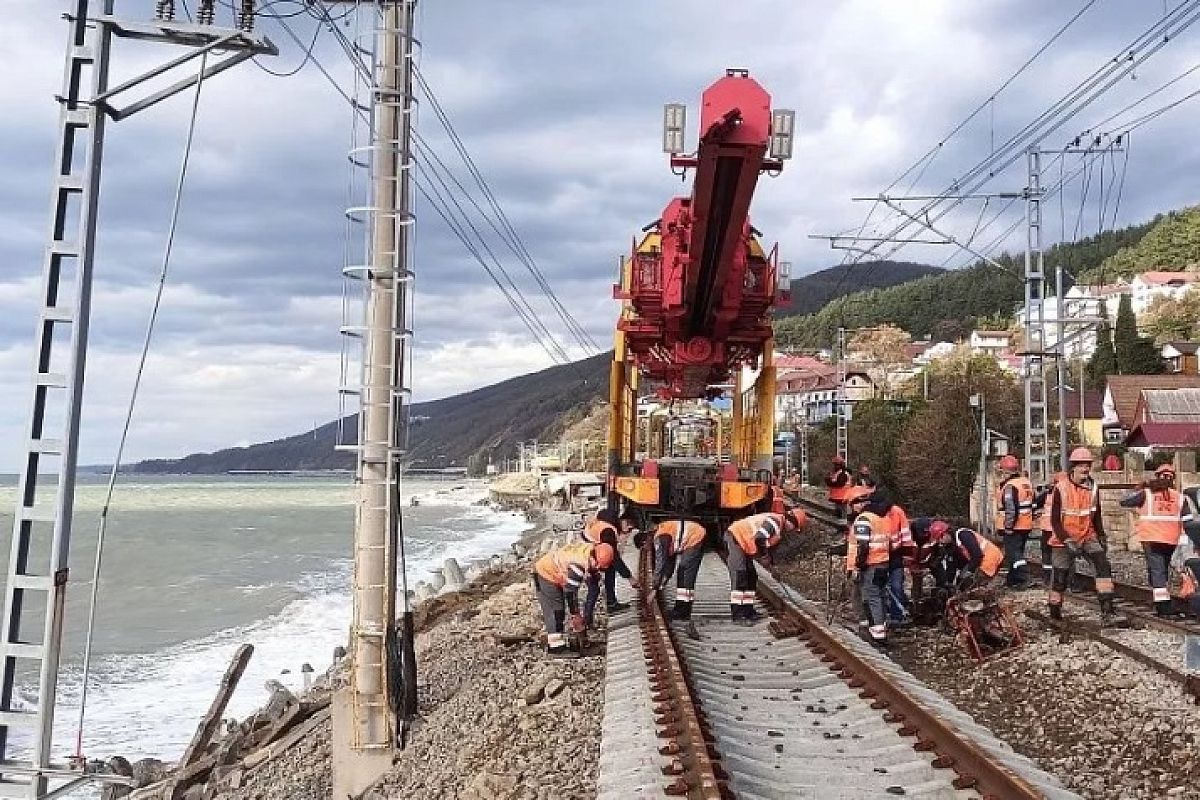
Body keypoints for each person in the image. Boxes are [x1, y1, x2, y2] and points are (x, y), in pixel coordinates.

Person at [1047, 447, 1122, 624]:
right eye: (1081, 465)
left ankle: (1108, 612)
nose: (1085, 469)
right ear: (1073, 467)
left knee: (1103, 566)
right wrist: (1066, 540)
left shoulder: (1093, 487)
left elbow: (1096, 514)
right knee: (1060, 578)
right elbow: (1055, 521)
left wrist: (1101, 536)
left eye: (1087, 465)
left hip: (1087, 535)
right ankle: (1054, 614)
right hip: (1063, 538)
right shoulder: (1061, 488)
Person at [1120, 463, 1193, 617]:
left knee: (1157, 572)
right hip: (1170, 540)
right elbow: (1189, 522)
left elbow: (1124, 501)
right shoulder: (1180, 498)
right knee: (1161, 571)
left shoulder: (1146, 493)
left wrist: (1139, 487)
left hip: (1152, 538)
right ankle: (1161, 599)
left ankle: (1163, 607)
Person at [724, 508, 807, 624]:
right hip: (736, 538)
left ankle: (748, 611)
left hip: (745, 543)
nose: (792, 531)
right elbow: (759, 539)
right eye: (794, 528)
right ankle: (738, 615)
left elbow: (769, 549)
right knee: (741, 575)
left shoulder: (778, 530)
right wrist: (763, 557)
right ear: (791, 521)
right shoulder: (774, 522)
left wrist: (772, 567)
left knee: (751, 576)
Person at [533, 541, 615, 658]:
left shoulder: (589, 551)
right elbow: (570, 592)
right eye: (598, 567)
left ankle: (568, 641)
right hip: (545, 573)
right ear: (596, 561)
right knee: (556, 610)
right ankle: (556, 648)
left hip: (550, 568)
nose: (598, 569)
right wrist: (575, 614)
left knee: (559, 608)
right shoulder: (578, 566)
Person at [845, 486, 890, 645]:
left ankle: (878, 635)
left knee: (872, 598)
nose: (851, 508)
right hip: (883, 563)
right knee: (879, 596)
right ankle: (878, 628)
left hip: (870, 565)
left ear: (858, 503)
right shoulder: (879, 518)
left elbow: (863, 545)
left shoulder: (864, 519)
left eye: (852, 504)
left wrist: (858, 565)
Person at [580, 509, 639, 627]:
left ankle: (610, 603)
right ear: (624, 521)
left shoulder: (607, 522)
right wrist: (630, 578)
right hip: (586, 556)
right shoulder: (609, 531)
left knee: (609, 570)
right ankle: (586, 622)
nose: (628, 531)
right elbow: (615, 558)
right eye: (629, 526)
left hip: (588, 548)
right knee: (593, 587)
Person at [867, 491, 912, 625]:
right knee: (879, 588)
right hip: (879, 556)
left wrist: (907, 555)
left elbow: (905, 533)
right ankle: (880, 617)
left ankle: (896, 616)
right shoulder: (872, 514)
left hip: (894, 555)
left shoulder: (897, 512)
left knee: (896, 586)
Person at [651, 518, 708, 620]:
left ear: (644, 542)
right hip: (695, 533)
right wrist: (664, 580)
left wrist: (655, 588)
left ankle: (682, 612)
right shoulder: (666, 535)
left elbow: (661, 563)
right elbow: (669, 563)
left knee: (685, 573)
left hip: (695, 537)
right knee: (683, 573)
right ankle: (681, 610)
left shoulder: (661, 538)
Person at [994, 455, 1034, 588]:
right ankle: (1012, 580)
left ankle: (1024, 576)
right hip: (1026, 524)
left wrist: (1008, 527)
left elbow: (1011, 509)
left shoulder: (1010, 486)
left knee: (1015, 554)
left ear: (1006, 471)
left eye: (1001, 472)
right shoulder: (1025, 482)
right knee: (1016, 553)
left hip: (1014, 526)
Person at [936, 524, 1004, 591]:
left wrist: (969, 571)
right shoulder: (951, 545)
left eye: (939, 538)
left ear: (945, 534)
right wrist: (948, 583)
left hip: (989, 559)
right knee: (961, 583)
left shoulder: (963, 535)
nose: (940, 542)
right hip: (979, 560)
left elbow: (977, 555)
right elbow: (951, 566)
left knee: (970, 586)